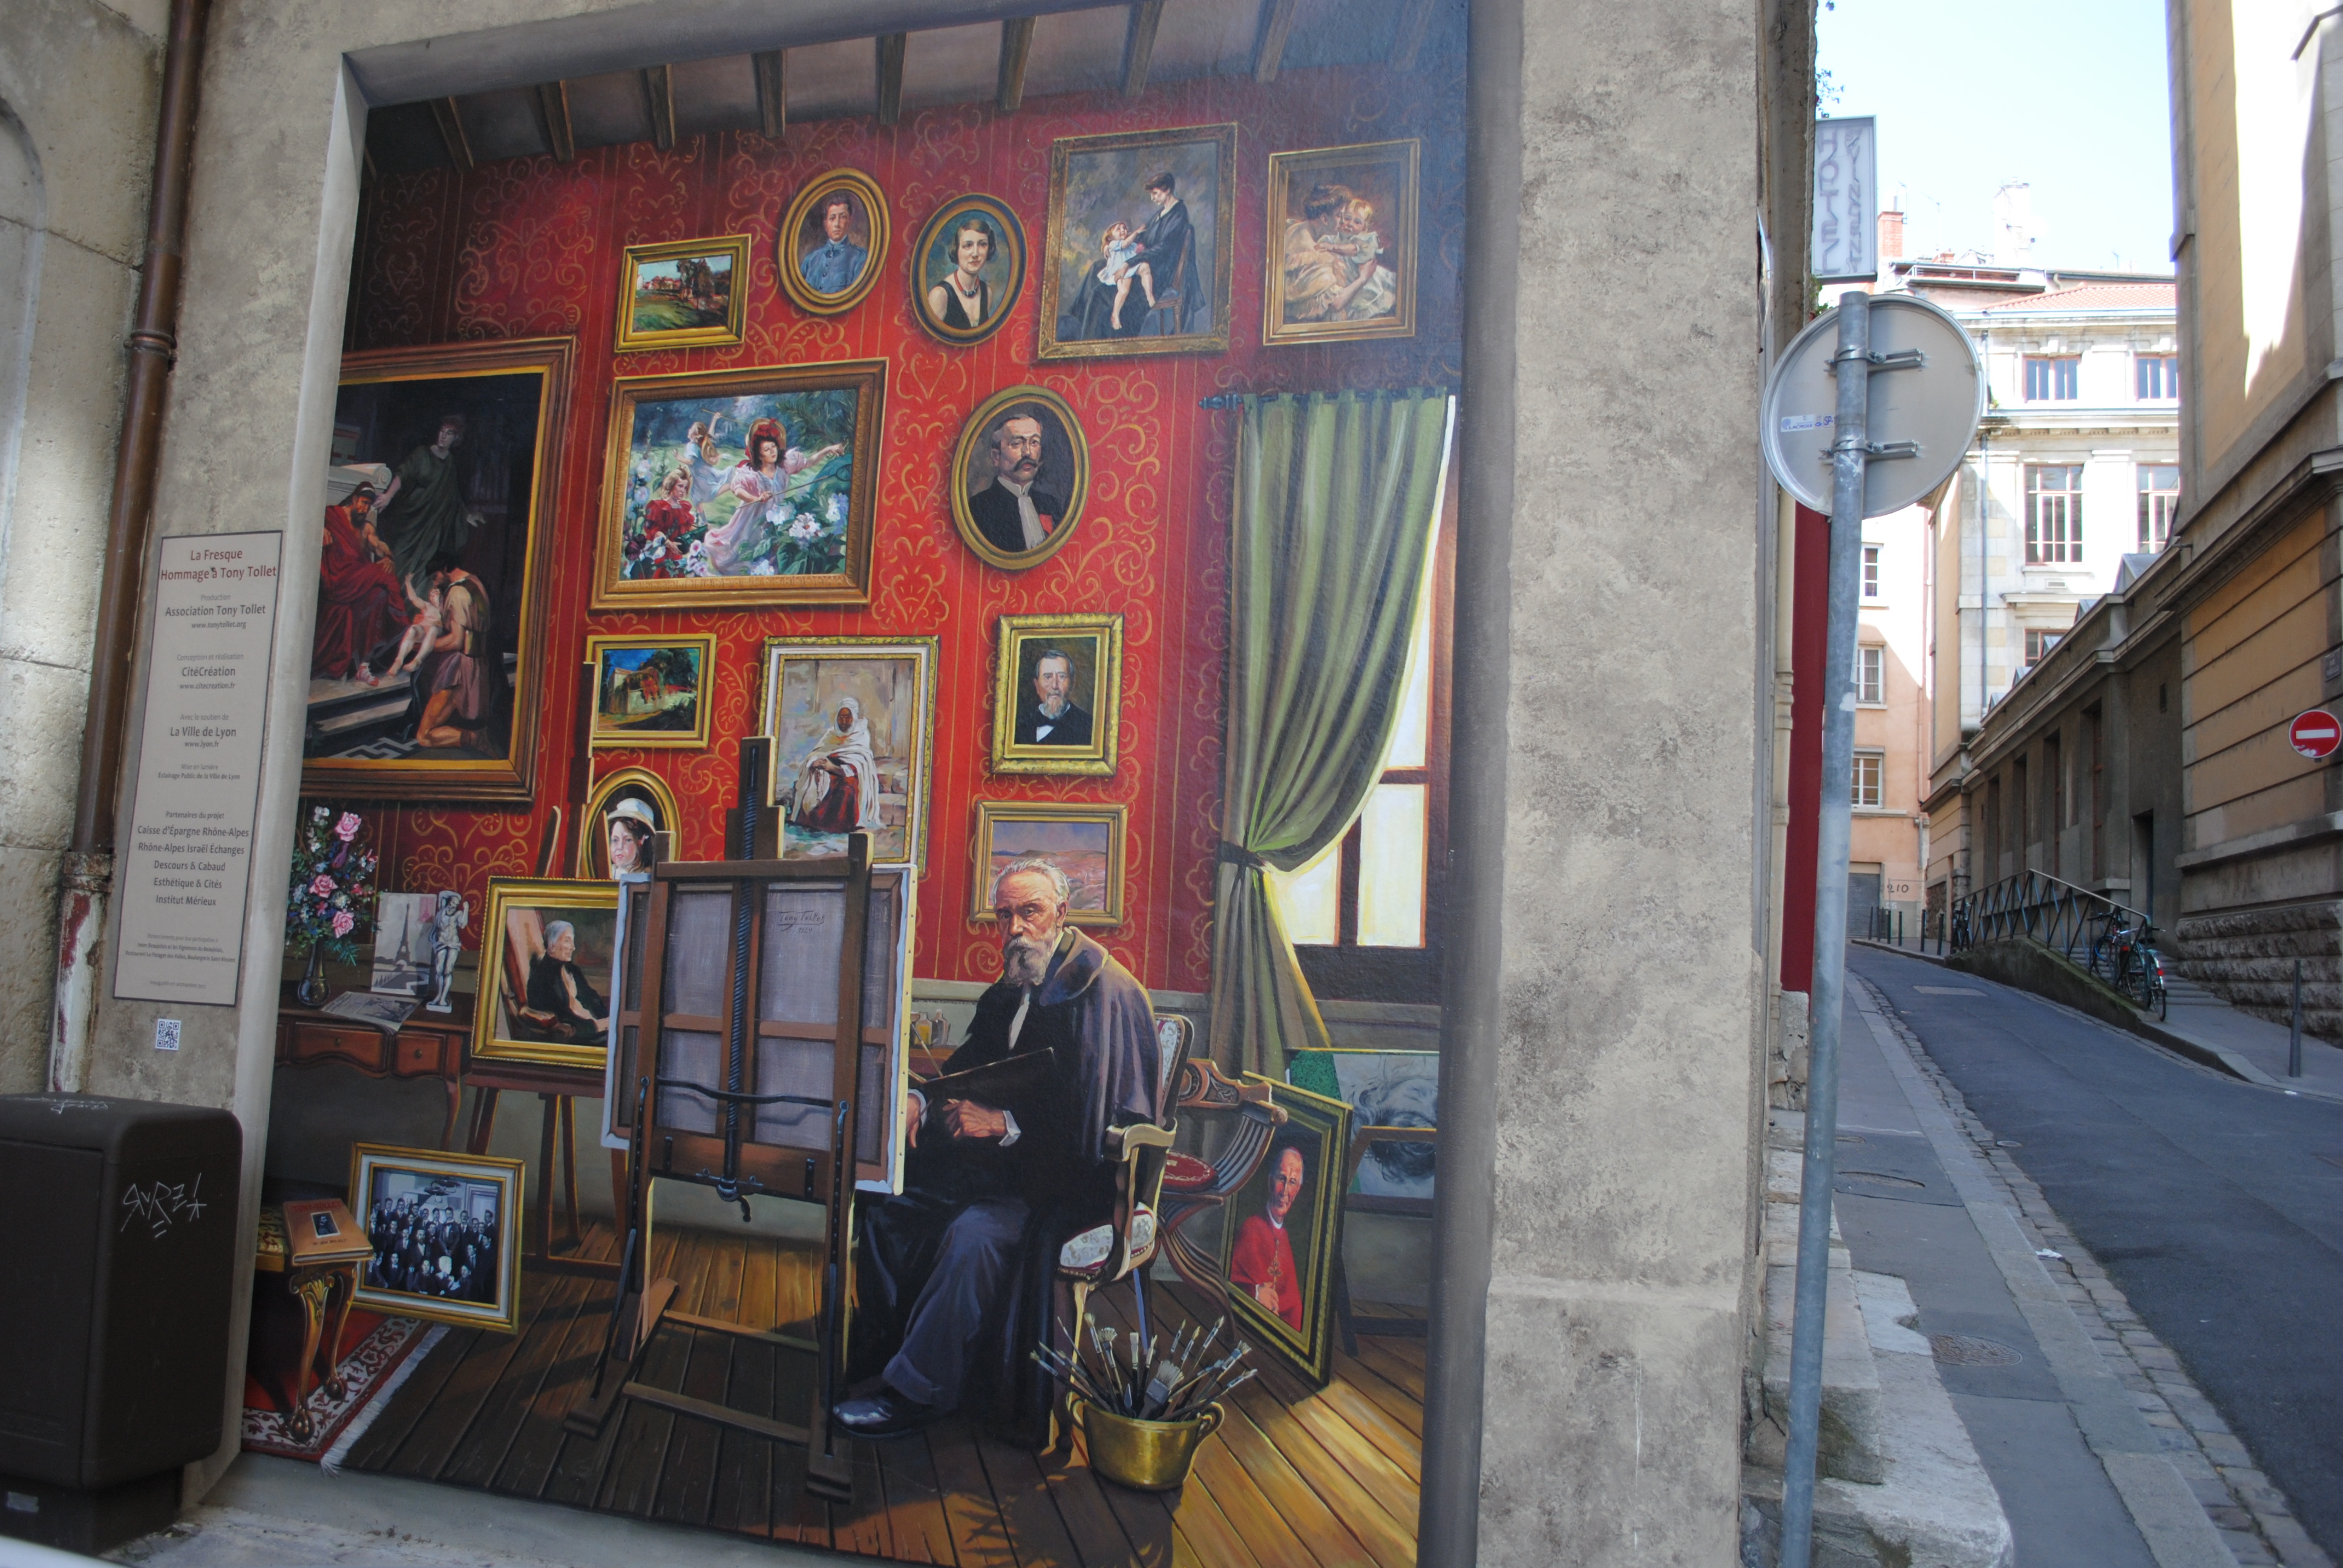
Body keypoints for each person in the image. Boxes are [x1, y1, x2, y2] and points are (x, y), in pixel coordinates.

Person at [836, 856, 1161, 1440]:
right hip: (1002, 1173)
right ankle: (879, 1356)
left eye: (1029, 912)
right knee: (887, 1201)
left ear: (1062, 913)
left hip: (1070, 1185)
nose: (1015, 928)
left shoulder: (1103, 994)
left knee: (973, 1235)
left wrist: (1004, 1123)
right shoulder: (1011, 991)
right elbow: (963, 1072)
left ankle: (919, 1391)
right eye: (1004, 915)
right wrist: (918, 1099)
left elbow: (1094, 1126)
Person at [706, 416, 843, 575]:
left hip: (776, 515)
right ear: (759, 455)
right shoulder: (752, 473)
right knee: (743, 547)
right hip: (752, 516)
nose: (773, 451)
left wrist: (827, 449)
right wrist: (756, 499)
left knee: (771, 545)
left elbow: (809, 462)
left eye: (774, 447)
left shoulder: (784, 466)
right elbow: (737, 489)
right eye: (767, 450)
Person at [376, 414, 482, 596]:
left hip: (431, 530)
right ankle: (394, 604)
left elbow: (453, 497)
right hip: (411, 522)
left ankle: (414, 608)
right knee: (399, 564)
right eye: (442, 431)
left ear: (456, 438)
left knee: (423, 574)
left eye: (449, 433)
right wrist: (388, 496)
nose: (443, 436)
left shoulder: (449, 464)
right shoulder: (421, 454)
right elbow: (403, 474)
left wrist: (467, 516)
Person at [313, 482, 407, 682]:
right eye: (363, 503)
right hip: (337, 582)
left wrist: (388, 556)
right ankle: (402, 620)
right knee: (383, 575)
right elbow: (305, 520)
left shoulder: (366, 528)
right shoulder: (332, 515)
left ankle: (364, 665)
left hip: (357, 584)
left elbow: (378, 545)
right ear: (354, 499)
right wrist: (319, 528)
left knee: (380, 594)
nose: (365, 509)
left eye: (369, 506)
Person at [410, 557, 493, 750]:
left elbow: (456, 641)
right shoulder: (475, 582)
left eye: (436, 576)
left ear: (446, 568)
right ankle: (478, 739)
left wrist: (422, 647)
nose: (435, 582)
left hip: (459, 668)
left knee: (425, 736)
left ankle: (475, 739)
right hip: (476, 665)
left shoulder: (456, 592)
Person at [1228, 1145, 1309, 1333]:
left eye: (1292, 1182)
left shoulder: (1285, 1238)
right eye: (1282, 1179)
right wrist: (1255, 1294)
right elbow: (1227, 1281)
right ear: (1270, 1181)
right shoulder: (1251, 1227)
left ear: (1297, 1190)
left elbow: (1294, 1306)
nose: (1285, 1191)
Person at [966, 411, 1066, 557]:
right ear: (996, 457)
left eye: (1034, 442)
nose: (1028, 452)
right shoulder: (978, 508)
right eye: (1017, 444)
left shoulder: (1051, 504)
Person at [788, 695, 885, 837]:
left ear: (854, 717)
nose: (844, 721)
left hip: (849, 776)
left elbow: (859, 764)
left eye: (848, 717)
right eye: (841, 717)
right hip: (828, 772)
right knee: (815, 784)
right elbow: (817, 753)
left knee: (846, 788)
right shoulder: (831, 734)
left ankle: (835, 825)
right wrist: (815, 763)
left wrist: (833, 768)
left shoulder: (861, 735)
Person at [525, 919, 608, 1046]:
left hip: (595, 1026)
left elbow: (591, 998)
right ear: (552, 945)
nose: (573, 947)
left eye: (572, 941)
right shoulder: (543, 977)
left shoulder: (572, 969)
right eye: (567, 941)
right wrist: (595, 1027)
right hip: (574, 1037)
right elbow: (561, 1017)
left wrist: (607, 1019)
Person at [925, 214, 998, 332]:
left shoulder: (987, 292)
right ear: (957, 249)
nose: (975, 253)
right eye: (968, 245)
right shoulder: (940, 295)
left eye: (982, 244)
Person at [1012, 648, 1092, 747]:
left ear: (1072, 684)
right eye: (1048, 677)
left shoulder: (1089, 726)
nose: (1055, 685)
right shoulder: (1019, 728)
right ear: (1037, 686)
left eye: (1062, 677)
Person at [378, 573, 444, 684]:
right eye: (431, 594)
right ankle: (399, 661)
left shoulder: (444, 608)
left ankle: (417, 661)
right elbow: (414, 599)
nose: (433, 595)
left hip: (435, 632)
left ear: (441, 596)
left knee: (433, 629)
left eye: (435, 593)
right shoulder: (427, 606)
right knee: (413, 629)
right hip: (423, 632)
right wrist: (408, 583)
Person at [800, 192, 868, 295]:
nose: (837, 224)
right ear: (826, 224)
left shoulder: (860, 258)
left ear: (850, 221)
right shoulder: (810, 260)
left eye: (843, 217)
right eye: (832, 218)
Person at [1094, 221, 1155, 332]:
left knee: (1145, 267)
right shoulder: (1113, 244)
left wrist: (1140, 249)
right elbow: (1124, 245)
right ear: (1110, 236)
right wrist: (1136, 232)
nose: (1123, 230)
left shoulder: (1131, 243)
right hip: (1119, 270)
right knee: (1124, 291)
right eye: (1118, 229)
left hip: (1131, 266)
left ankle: (1150, 295)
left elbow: (1137, 251)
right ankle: (1115, 314)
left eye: (1124, 228)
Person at [606, 796, 657, 878]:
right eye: (615, 840)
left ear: (643, 839)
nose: (620, 847)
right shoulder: (608, 874)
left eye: (628, 840)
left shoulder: (648, 876)